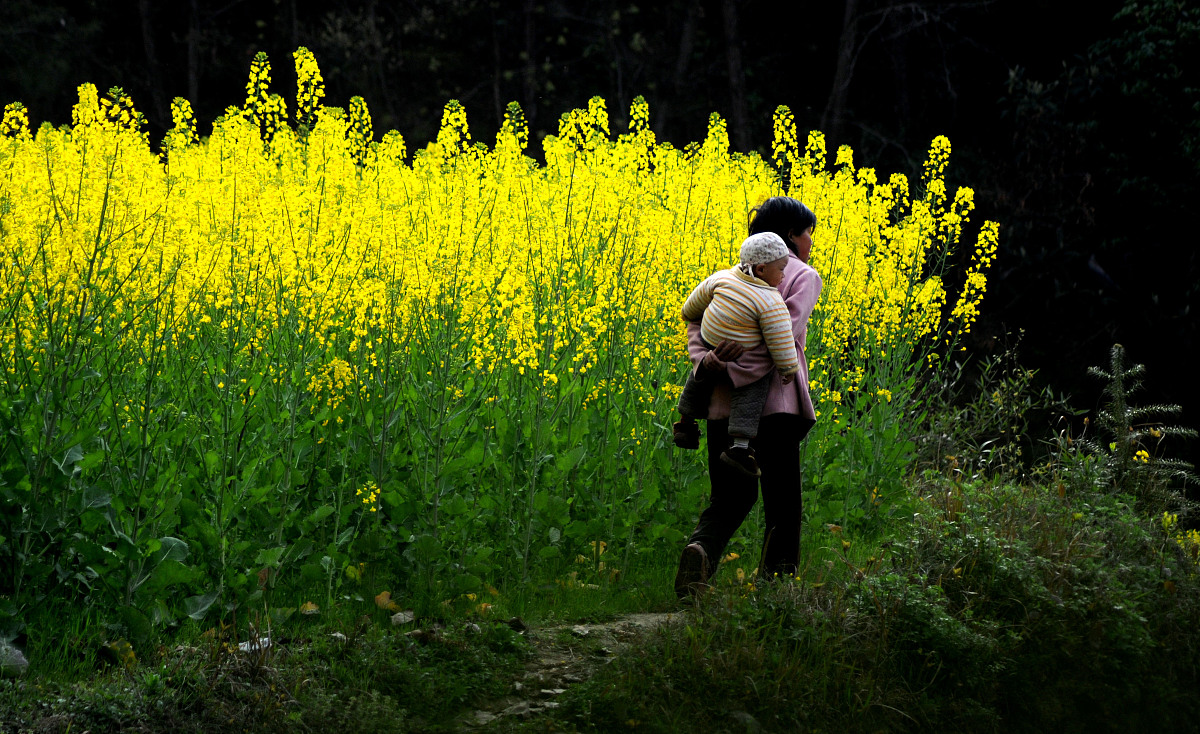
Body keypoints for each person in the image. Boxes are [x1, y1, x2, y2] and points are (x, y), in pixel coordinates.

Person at [673, 196, 822, 598]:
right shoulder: (802, 276)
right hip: (775, 408)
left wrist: (706, 360)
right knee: (782, 498)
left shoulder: (733, 275)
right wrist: (743, 367)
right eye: (808, 232)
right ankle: (776, 588)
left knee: (730, 495)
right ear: (791, 234)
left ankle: (700, 553)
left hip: (722, 402)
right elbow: (782, 336)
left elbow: (697, 320)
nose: (811, 241)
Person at [673, 232, 799, 478]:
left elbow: (694, 303)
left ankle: (685, 423)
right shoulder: (770, 300)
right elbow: (780, 338)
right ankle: (740, 449)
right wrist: (788, 368)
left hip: (709, 343)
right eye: (781, 270)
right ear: (761, 269)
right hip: (739, 358)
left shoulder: (722, 277)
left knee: (699, 377)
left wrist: (688, 315)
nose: (784, 276)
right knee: (752, 388)